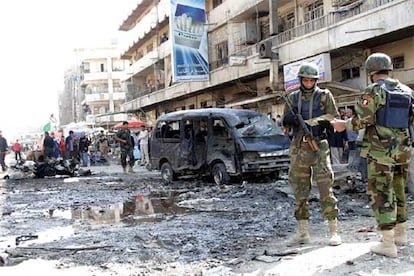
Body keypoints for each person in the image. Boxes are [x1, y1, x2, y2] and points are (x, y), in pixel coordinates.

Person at [332, 53, 414, 257]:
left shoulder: (374, 91)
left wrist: (344, 125)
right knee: (399, 189)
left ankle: (387, 244)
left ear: (371, 72)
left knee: (381, 193)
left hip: (380, 152)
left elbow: (362, 120)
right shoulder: (407, 90)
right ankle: (400, 234)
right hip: (403, 150)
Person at [282, 62, 342, 246]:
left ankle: (333, 231)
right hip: (299, 148)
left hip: (319, 146)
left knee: (325, 188)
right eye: (305, 80)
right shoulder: (292, 98)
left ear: (316, 80)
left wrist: (312, 122)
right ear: (300, 80)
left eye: (311, 80)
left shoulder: (324, 95)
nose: (308, 83)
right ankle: (303, 233)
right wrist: (289, 121)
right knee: (300, 191)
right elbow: (285, 125)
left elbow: (333, 117)